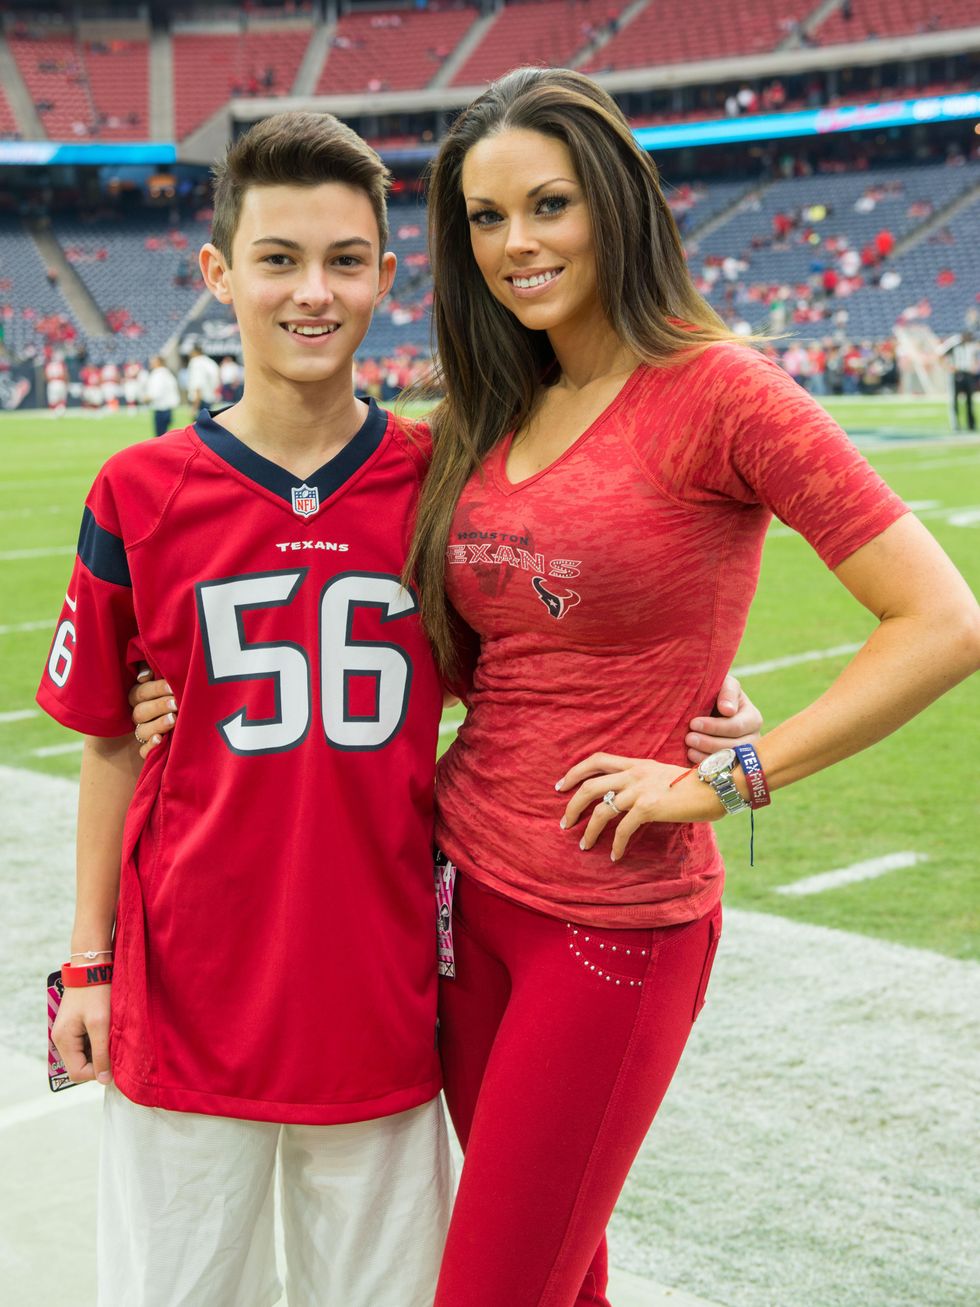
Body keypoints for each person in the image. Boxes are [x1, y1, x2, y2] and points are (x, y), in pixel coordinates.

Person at [395, 69, 974, 1305]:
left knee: (492, 1286)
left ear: (614, 201)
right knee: (560, 1267)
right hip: (461, 894)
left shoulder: (723, 392)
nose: (515, 244)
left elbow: (938, 620)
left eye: (546, 203)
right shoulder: (497, 404)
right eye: (483, 219)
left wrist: (729, 773)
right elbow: (460, 662)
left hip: (610, 921)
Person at [37, 111, 458, 1307]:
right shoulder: (139, 489)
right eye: (277, 257)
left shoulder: (443, 482)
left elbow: (532, 668)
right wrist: (85, 962)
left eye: (341, 259)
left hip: (379, 1005)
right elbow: (111, 741)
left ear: (386, 274)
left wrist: (692, 686)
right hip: (188, 1001)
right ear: (219, 272)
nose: (310, 291)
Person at [143, 354, 181, 437]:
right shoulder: (167, 373)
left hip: (161, 409)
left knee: (160, 437)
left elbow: (156, 392)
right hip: (168, 409)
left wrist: (146, 398)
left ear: (158, 362)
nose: (151, 363)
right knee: (165, 436)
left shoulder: (158, 374)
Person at [185, 342, 221, 410]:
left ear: (195, 352)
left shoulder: (196, 362)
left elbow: (198, 384)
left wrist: (195, 406)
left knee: (199, 419)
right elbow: (218, 379)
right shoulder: (210, 362)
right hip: (209, 397)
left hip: (200, 399)